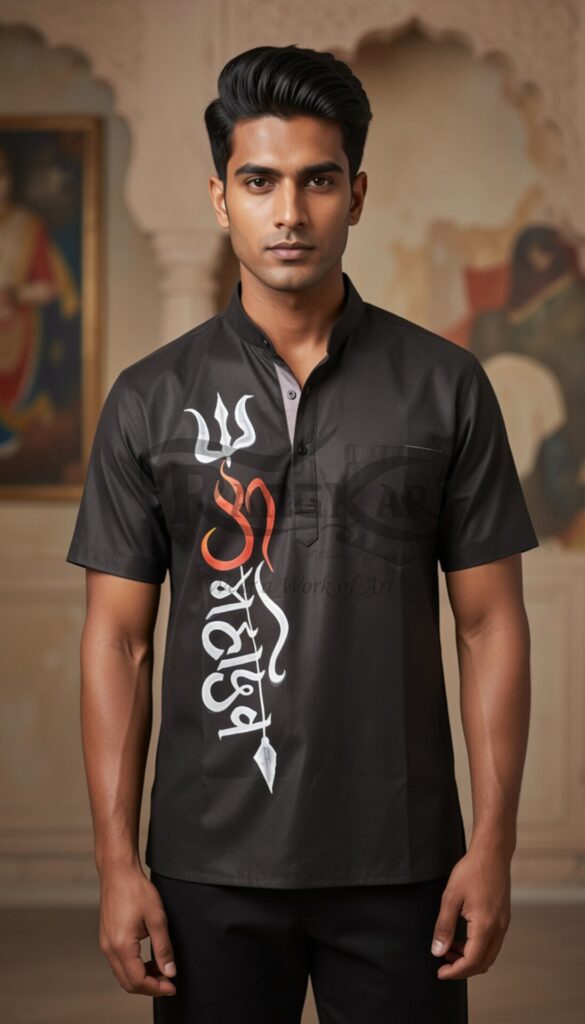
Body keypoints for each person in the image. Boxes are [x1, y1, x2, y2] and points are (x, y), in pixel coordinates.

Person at [66, 44, 539, 1024]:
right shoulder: (149, 400)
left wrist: (492, 845)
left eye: (318, 181)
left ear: (356, 194)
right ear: (219, 197)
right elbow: (118, 640)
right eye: (259, 182)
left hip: (402, 863)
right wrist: (116, 862)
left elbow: (490, 623)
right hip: (207, 868)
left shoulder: (446, 387)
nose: (289, 212)